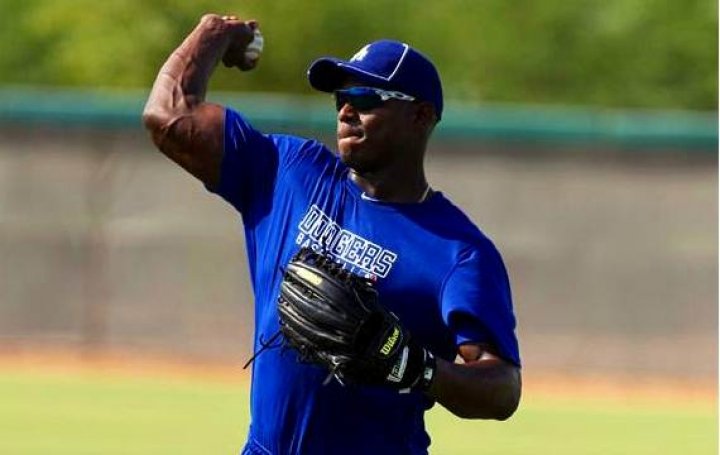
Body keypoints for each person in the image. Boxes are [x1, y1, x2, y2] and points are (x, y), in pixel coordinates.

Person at [143, 13, 521, 455]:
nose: (346, 109)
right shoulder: (289, 173)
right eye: (341, 95)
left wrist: (415, 367)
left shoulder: (458, 252)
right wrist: (215, 31)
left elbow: (502, 388)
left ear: (419, 115)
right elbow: (168, 115)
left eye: (365, 96)